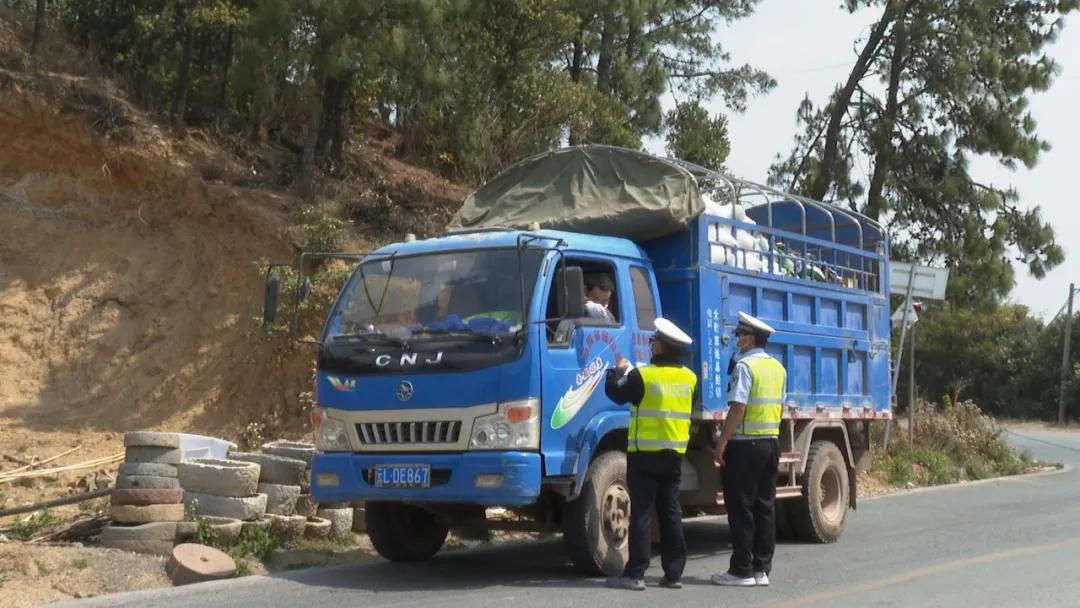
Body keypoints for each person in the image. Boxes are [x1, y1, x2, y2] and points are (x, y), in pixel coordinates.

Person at [604, 318, 698, 591]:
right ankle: (674, 574)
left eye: (652, 342)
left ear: (659, 347)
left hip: (644, 454)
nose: (650, 346)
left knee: (643, 514)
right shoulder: (690, 379)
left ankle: (636, 573)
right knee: (670, 512)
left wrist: (616, 371)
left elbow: (616, 394)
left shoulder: (643, 375)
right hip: (674, 456)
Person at [712, 312, 787, 588]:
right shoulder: (778, 369)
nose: (737, 340)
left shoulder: (744, 367)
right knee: (765, 507)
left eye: (740, 335)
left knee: (741, 507)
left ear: (750, 338)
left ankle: (741, 569)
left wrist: (722, 442)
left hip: (745, 446)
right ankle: (761, 569)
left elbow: (738, 407)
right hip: (771, 443)